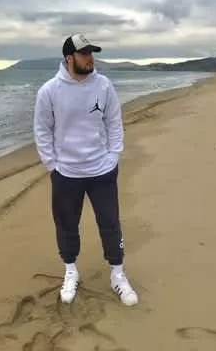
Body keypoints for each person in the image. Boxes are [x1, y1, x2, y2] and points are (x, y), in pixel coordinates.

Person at [33, 33, 138, 306]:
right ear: (69, 58)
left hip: (102, 170)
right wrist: (52, 165)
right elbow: (42, 130)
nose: (90, 58)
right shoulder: (49, 91)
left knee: (110, 223)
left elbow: (113, 121)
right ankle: (71, 271)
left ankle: (117, 274)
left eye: (91, 53)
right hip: (66, 173)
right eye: (84, 54)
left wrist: (113, 155)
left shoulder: (104, 85)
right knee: (66, 225)